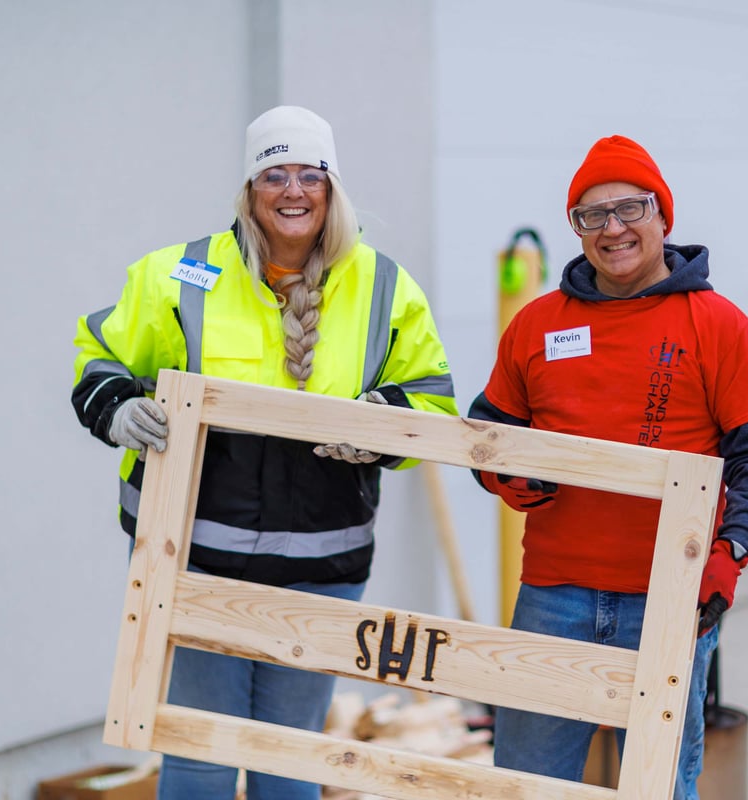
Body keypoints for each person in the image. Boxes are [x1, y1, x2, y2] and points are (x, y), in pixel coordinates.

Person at [70, 105, 458, 800]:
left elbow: (432, 399)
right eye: (273, 174)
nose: (293, 190)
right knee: (200, 756)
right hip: (194, 562)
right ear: (249, 190)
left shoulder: (384, 287)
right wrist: (119, 409)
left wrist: (382, 423)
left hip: (322, 568)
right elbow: (99, 355)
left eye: (311, 174)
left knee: (290, 761)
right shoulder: (178, 275)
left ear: (332, 188)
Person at [468, 135, 748, 799]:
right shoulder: (537, 325)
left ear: (662, 216)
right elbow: (488, 434)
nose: (613, 229)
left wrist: (727, 556)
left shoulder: (718, 325)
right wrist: (513, 475)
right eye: (592, 216)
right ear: (577, 229)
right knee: (525, 787)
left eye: (630, 209)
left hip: (669, 600)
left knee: (655, 788)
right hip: (553, 596)